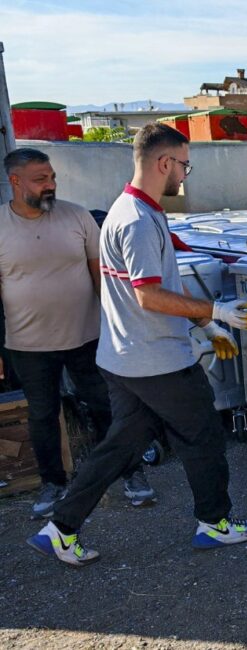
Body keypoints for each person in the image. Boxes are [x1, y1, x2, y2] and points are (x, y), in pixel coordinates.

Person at [28, 123, 247, 567]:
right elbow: (148, 295)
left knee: (121, 445)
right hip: (155, 358)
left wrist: (202, 324)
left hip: (124, 356)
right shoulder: (137, 221)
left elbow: (159, 286)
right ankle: (215, 522)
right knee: (203, 435)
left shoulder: (134, 209)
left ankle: (60, 527)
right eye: (184, 165)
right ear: (163, 162)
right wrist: (216, 313)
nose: (184, 174)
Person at [1, 148, 156, 519]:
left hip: (88, 337)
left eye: (52, 177)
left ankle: (130, 473)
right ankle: (53, 484)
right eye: (41, 179)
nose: (51, 185)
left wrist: (119, 327)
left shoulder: (77, 216)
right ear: (15, 181)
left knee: (106, 406)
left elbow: (100, 277)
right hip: (27, 344)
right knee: (42, 414)